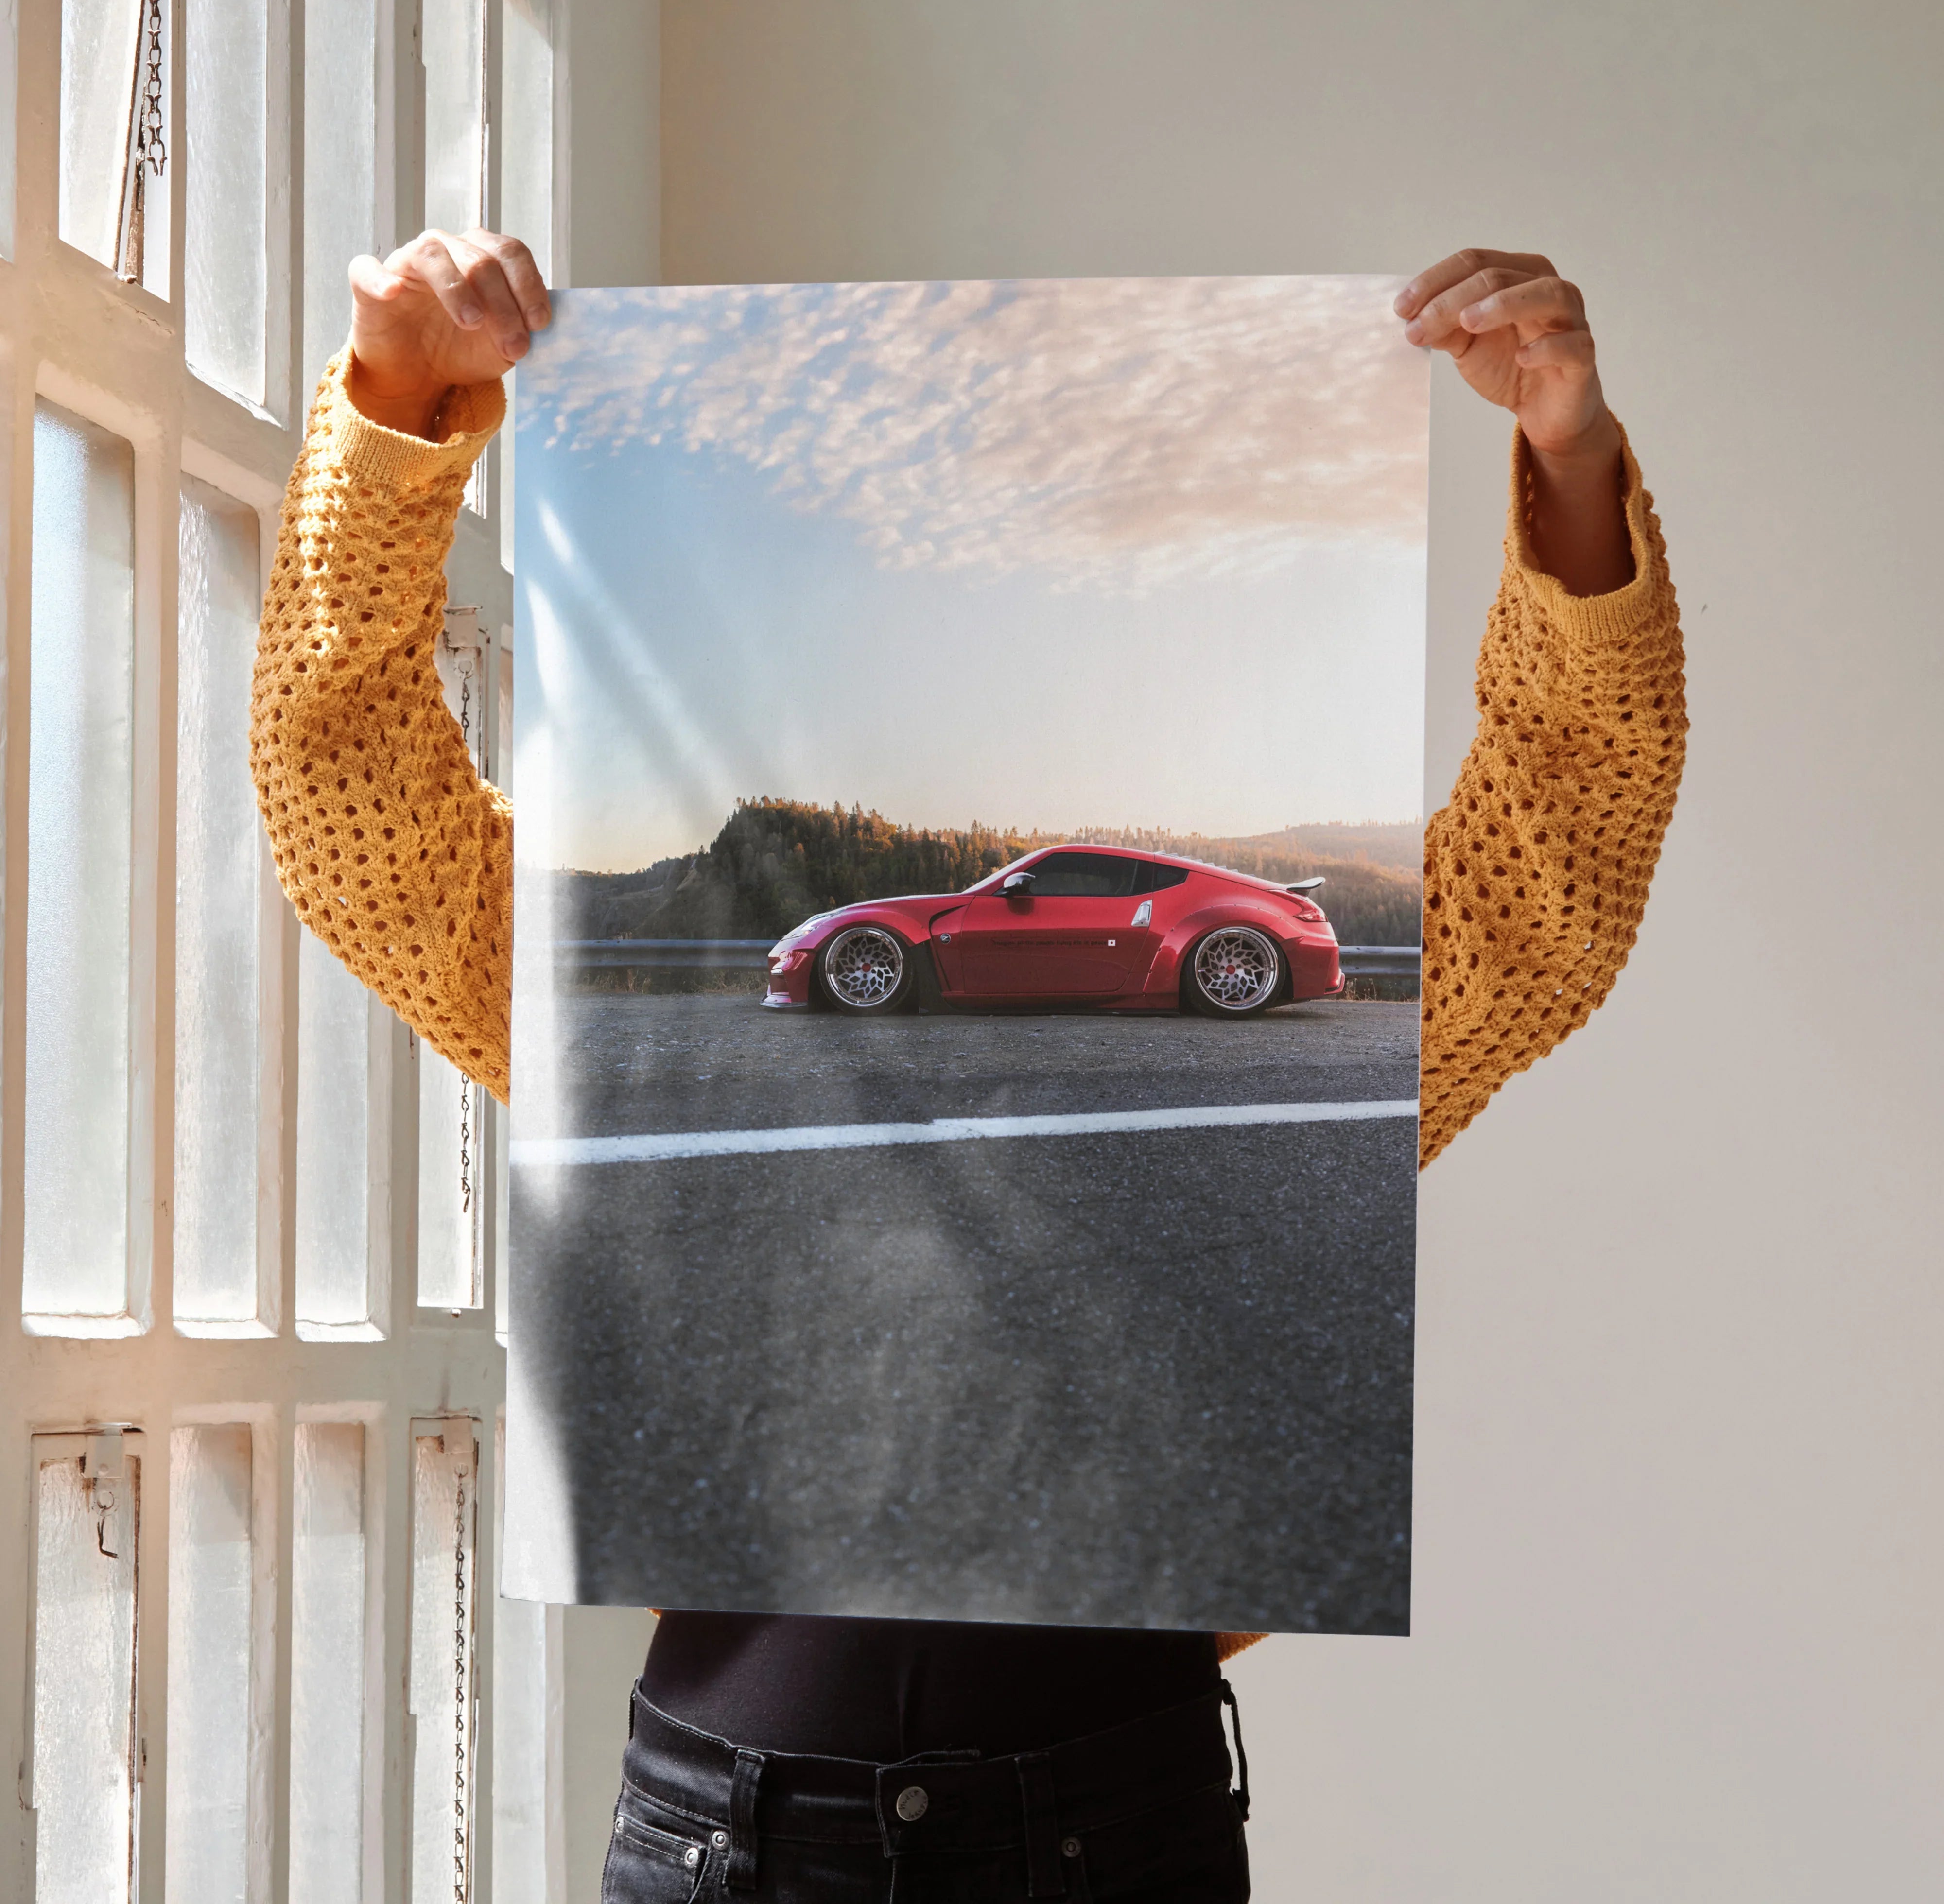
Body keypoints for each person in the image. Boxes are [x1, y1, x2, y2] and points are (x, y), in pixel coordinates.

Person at [251, 232, 1685, 1902]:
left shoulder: (1290, 1069)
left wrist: (1570, 461)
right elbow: (352, 814)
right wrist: (394, 409)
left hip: (1107, 1823)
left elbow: (1554, 875)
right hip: (733, 1836)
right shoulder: (649, 1049)